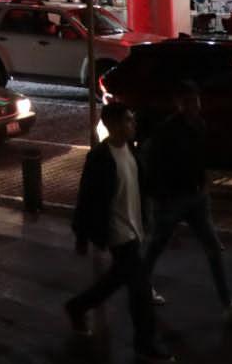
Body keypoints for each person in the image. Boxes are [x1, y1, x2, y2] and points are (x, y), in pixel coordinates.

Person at [140, 82, 232, 322]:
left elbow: (201, 156)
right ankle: (142, 287)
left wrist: (204, 182)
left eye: (196, 101)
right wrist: (161, 197)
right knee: (156, 247)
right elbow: (154, 166)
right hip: (173, 199)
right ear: (179, 103)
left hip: (195, 198)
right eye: (189, 102)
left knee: (212, 247)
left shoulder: (198, 126)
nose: (195, 106)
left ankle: (227, 303)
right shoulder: (167, 132)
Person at [66, 102, 171, 363]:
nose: (133, 125)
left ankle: (77, 307)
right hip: (117, 231)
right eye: (127, 120)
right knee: (140, 288)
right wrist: (81, 235)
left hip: (135, 227)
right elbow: (86, 198)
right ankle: (144, 344)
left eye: (132, 120)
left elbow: (141, 186)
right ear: (112, 125)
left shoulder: (131, 151)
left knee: (116, 279)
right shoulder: (100, 157)